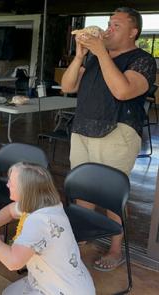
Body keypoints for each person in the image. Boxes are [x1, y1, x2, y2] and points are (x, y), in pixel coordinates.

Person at [61, 7, 157, 272]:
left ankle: (116, 249)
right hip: (83, 131)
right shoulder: (93, 58)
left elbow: (123, 91)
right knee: (83, 192)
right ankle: (82, 241)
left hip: (118, 133)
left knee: (112, 194)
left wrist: (101, 52)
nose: (108, 29)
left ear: (133, 32)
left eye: (116, 25)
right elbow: (68, 87)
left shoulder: (143, 60)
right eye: (108, 24)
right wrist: (80, 55)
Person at [0, 162, 95, 295]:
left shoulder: (40, 222)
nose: (7, 185)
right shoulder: (43, 202)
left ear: (26, 189)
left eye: (11, 182)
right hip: (51, 280)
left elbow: (13, 262)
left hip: (64, 289)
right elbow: (10, 211)